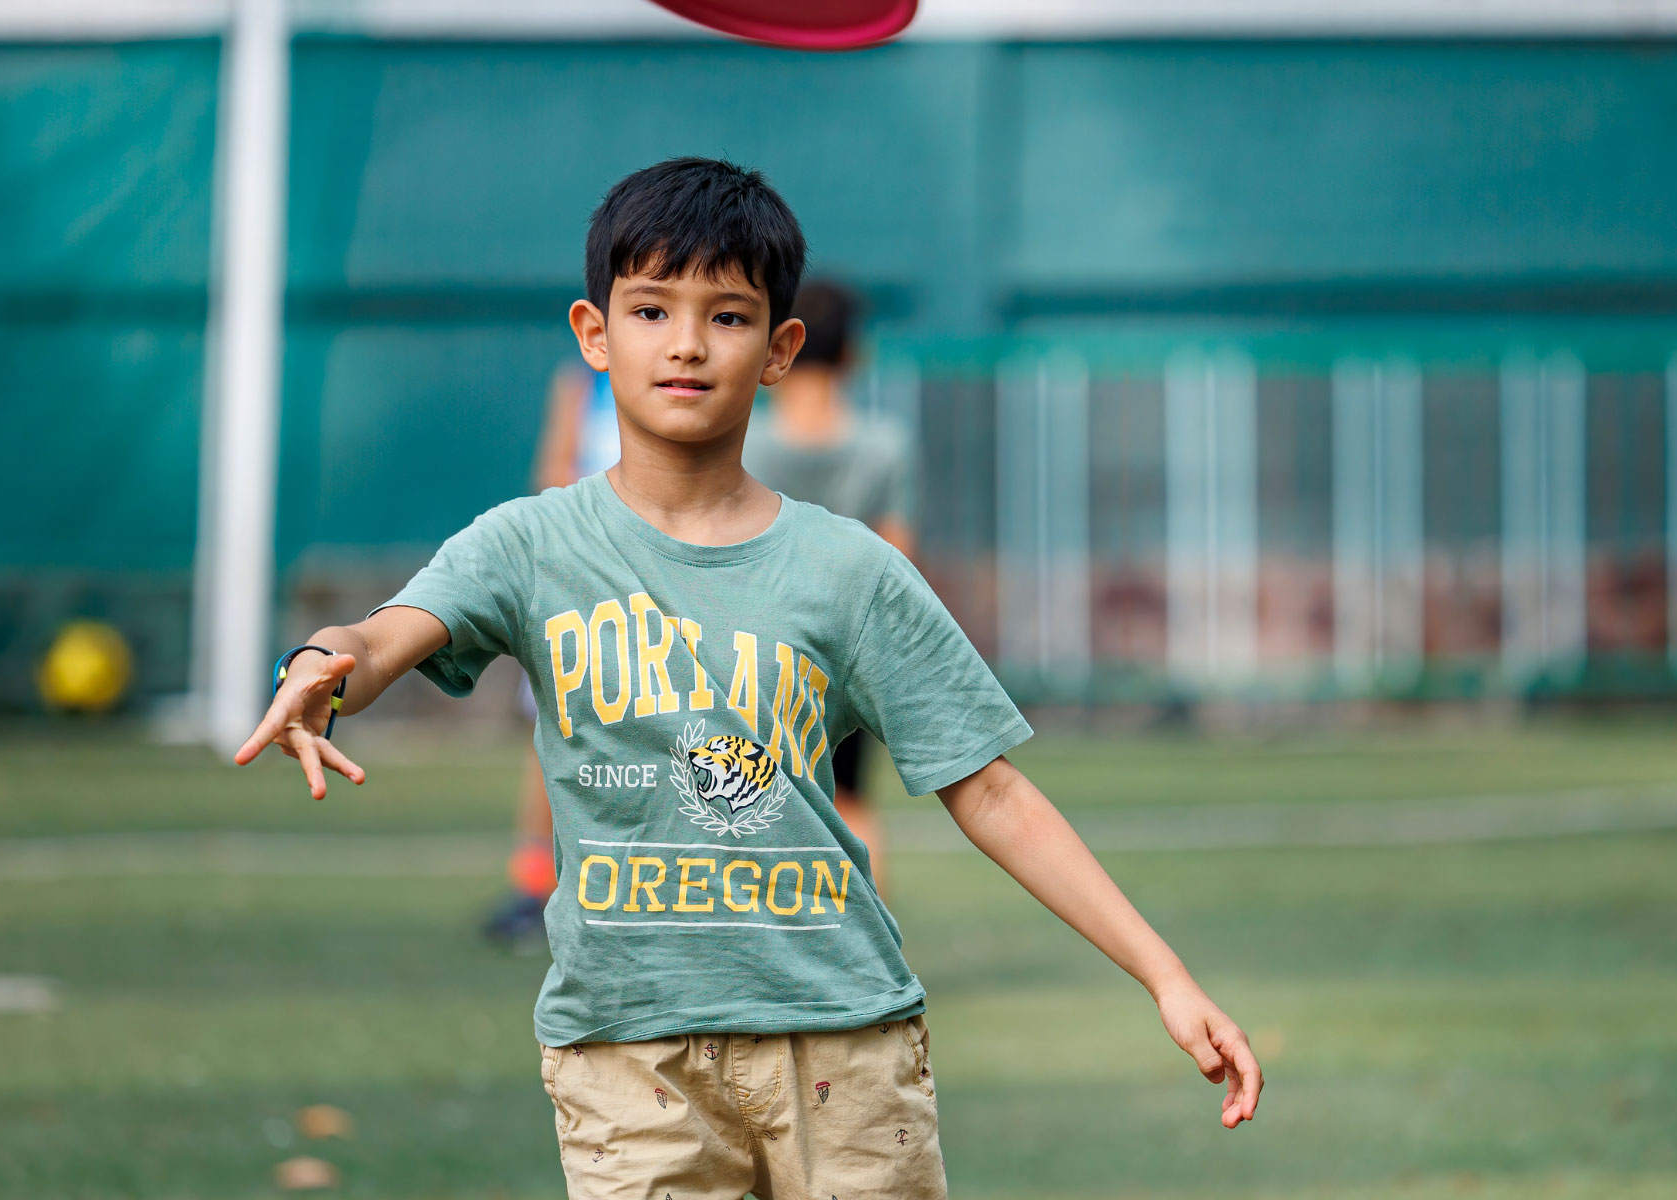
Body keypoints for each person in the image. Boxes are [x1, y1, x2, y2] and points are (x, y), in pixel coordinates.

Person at [236, 157, 1261, 1198]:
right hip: (624, 1060)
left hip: (843, 1054)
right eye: (650, 309)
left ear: (777, 350)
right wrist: (317, 666)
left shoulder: (849, 569)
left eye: (725, 316)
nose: (685, 343)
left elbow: (989, 789)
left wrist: (1164, 977)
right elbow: (381, 636)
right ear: (594, 334)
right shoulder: (526, 546)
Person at [744, 279, 912, 893]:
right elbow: (897, 555)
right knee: (853, 801)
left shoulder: (746, 443)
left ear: (777, 347)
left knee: (749, 808)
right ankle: (875, 950)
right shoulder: (883, 445)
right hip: (847, 647)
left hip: (755, 649)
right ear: (853, 354)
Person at [482, 364, 619, 946]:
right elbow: (553, 471)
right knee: (555, 728)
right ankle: (534, 886)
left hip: (672, 586)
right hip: (589, 582)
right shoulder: (581, 383)